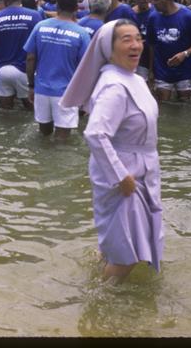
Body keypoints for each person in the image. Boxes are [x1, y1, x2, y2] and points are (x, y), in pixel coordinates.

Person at [59, 20, 162, 284]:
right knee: (128, 254)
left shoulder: (134, 78)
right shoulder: (115, 86)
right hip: (125, 174)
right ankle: (100, 298)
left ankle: (98, 274)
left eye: (138, 38)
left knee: (121, 240)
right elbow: (95, 133)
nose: (136, 45)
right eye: (126, 39)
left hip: (140, 168)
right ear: (109, 47)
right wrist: (121, 177)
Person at [24, 0, 91, 138]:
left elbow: (30, 58)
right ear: (76, 8)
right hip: (67, 93)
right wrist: (85, 96)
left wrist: (31, 86)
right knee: (63, 140)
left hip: (41, 90)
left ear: (57, 6)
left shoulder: (40, 27)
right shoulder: (81, 33)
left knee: (44, 134)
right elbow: (85, 67)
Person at [0, 0, 39, 109]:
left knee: (6, 113)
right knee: (33, 112)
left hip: (2, 70)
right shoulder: (35, 16)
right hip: (25, 70)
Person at [147, 0, 191, 102]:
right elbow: (151, 45)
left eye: (156, 0)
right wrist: (151, 70)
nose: (152, 3)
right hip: (161, 69)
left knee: (185, 105)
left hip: (184, 69)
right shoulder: (153, 17)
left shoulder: (188, 16)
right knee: (163, 103)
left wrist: (185, 54)